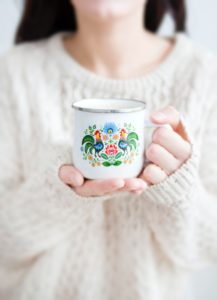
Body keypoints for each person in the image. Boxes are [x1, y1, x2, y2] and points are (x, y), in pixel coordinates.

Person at [0, 0, 217, 299]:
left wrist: (178, 190)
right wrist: (58, 189)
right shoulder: (14, 74)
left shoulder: (205, 76)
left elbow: (209, 247)